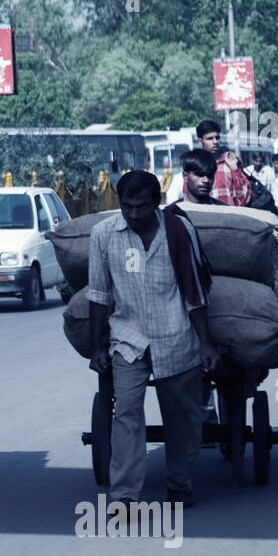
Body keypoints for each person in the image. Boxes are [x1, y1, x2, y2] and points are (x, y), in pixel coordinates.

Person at [88, 170, 219, 509]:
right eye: (127, 207)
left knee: (182, 416)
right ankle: (125, 495)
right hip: (127, 338)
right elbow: (99, 294)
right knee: (126, 413)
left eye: (141, 207)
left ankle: (179, 483)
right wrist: (97, 346)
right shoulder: (104, 235)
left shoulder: (177, 230)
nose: (133, 214)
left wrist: (205, 342)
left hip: (176, 335)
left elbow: (194, 291)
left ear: (157, 202)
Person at [197, 120, 252, 206]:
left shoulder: (231, 160)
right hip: (205, 216)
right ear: (200, 142)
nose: (215, 142)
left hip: (230, 216)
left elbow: (244, 196)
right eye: (210, 138)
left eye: (217, 137)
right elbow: (188, 196)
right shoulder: (195, 164)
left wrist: (235, 170)